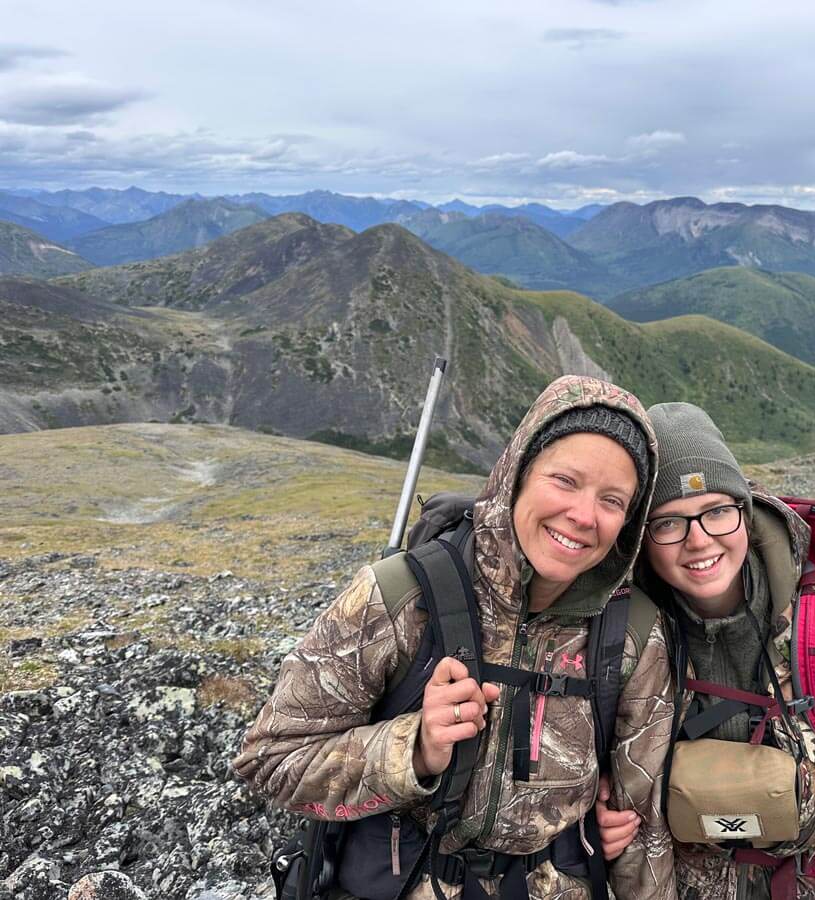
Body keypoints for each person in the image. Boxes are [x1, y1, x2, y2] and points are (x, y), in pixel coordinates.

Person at [234, 375, 678, 900]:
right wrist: (414, 749)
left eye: (612, 500)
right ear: (518, 473)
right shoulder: (400, 595)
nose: (583, 516)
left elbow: (642, 828)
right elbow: (270, 762)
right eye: (564, 480)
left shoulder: (633, 633)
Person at [598, 402, 815, 900]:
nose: (698, 541)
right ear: (643, 539)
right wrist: (599, 818)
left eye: (716, 512)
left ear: (745, 514)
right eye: (668, 522)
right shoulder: (626, 640)